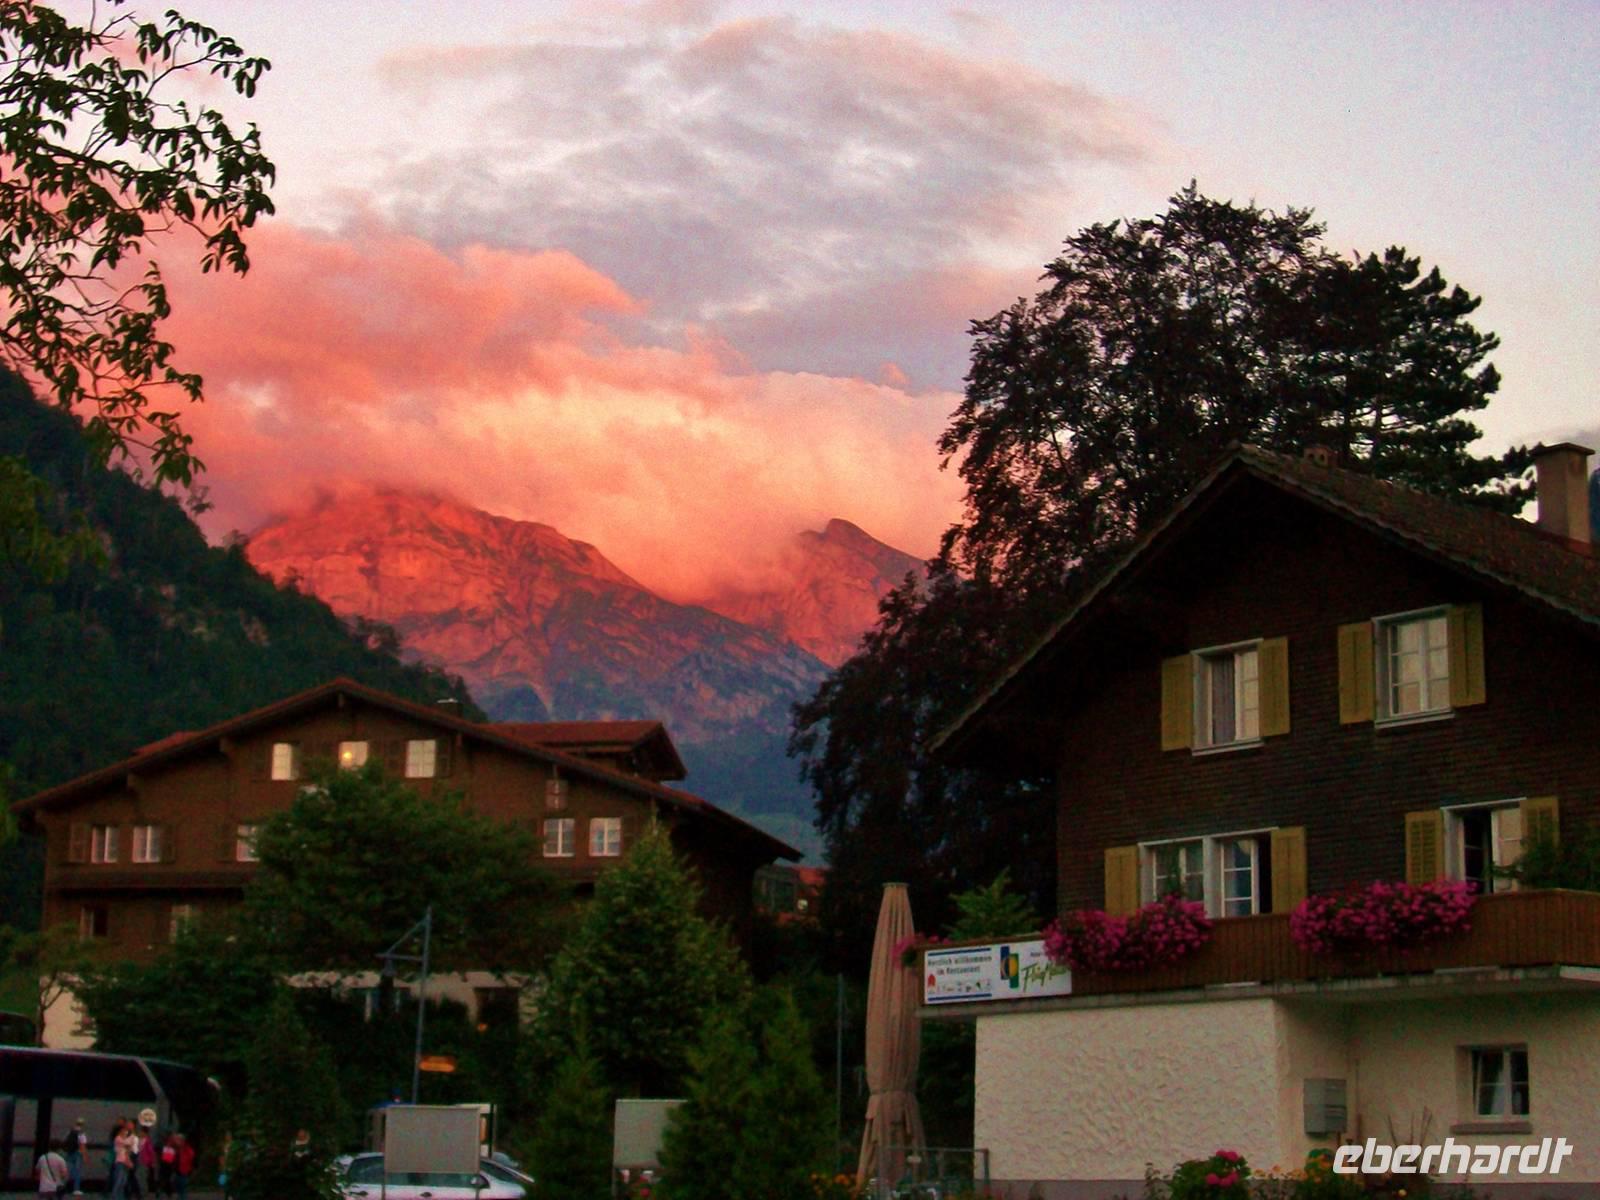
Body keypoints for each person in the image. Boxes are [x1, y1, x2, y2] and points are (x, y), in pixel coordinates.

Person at [111, 1120, 136, 1200]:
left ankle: (120, 1197)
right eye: (124, 1130)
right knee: (119, 1180)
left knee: (123, 1181)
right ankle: (114, 1196)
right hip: (120, 1162)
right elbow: (128, 1145)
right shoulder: (118, 1139)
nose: (125, 1132)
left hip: (125, 1162)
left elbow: (131, 1145)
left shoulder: (124, 1139)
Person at [168, 1134, 195, 1200]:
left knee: (183, 1188)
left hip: (183, 1171)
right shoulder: (173, 1148)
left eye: (178, 1140)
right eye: (176, 1140)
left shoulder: (186, 1148)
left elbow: (191, 1155)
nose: (177, 1141)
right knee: (177, 1186)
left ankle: (182, 1197)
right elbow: (167, 1159)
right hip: (175, 1171)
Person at [66, 1119, 88, 1196]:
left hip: (69, 1153)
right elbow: (82, 1145)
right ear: (82, 1124)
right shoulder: (81, 1133)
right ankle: (76, 1189)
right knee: (78, 1172)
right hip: (78, 1154)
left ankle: (62, 1187)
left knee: (67, 1171)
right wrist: (85, 1156)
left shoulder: (70, 1131)